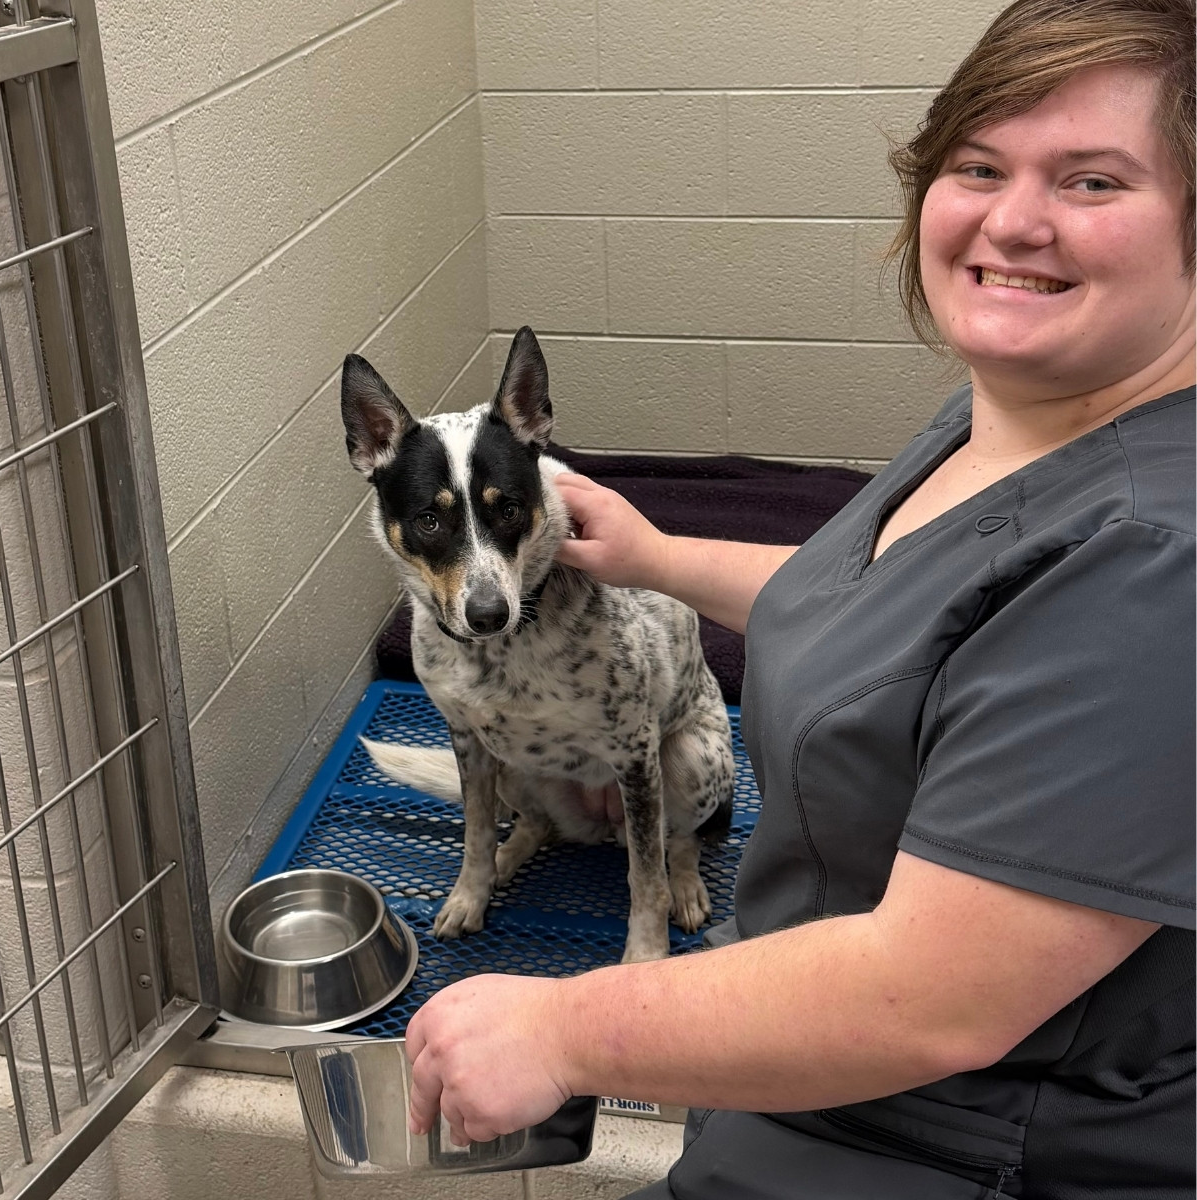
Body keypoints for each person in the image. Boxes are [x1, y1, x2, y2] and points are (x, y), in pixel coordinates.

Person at [403, 0, 1196, 1194]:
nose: (1013, 220)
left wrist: (564, 1030)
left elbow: (931, 999)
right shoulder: (1013, 414)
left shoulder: (1155, 564)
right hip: (806, 1071)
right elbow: (903, 611)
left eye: (1093, 181)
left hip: (943, 1142)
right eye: (979, 166)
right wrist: (658, 556)